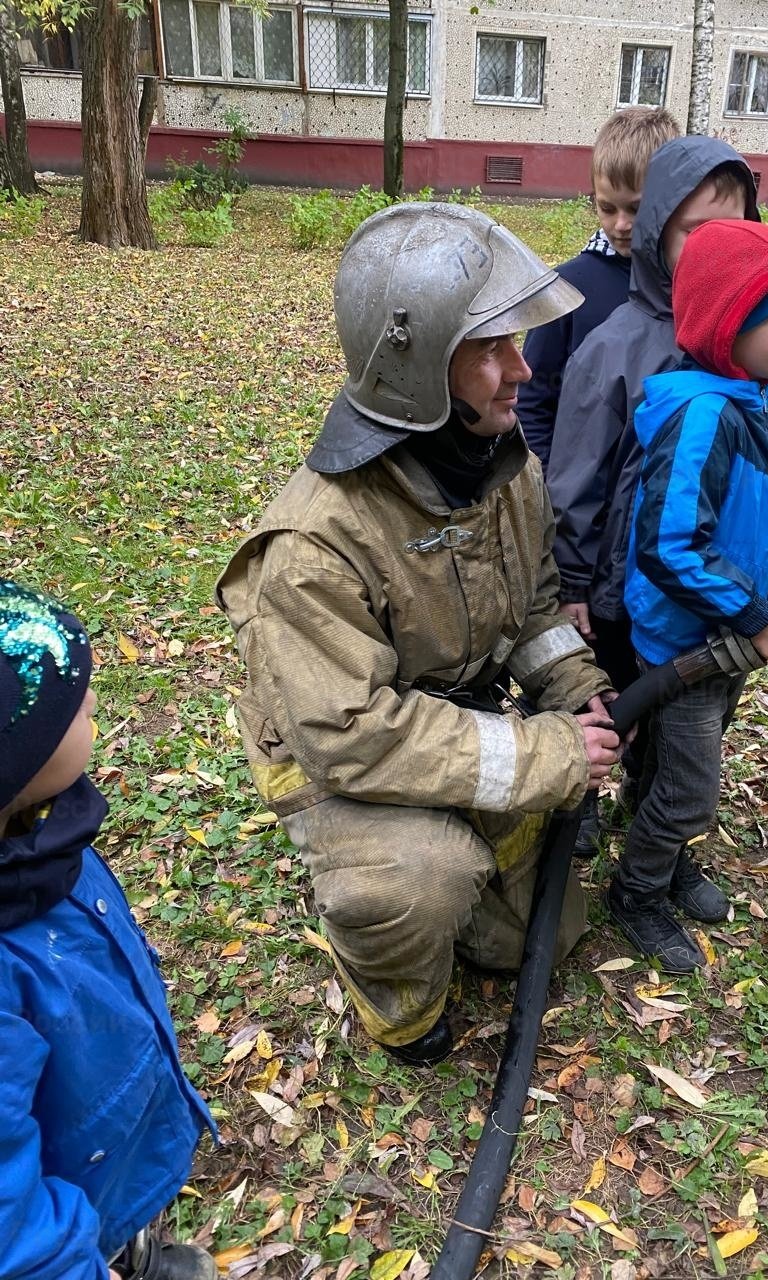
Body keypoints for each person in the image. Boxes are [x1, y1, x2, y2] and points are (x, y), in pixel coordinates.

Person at [216, 203, 623, 1067]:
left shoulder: (507, 468)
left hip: (441, 712)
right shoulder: (313, 546)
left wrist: (575, 693)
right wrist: (544, 754)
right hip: (336, 750)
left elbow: (534, 606)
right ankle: (397, 1008)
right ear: (418, 371)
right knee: (418, 883)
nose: (523, 368)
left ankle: (476, 855)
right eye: (490, 348)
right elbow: (348, 735)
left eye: (517, 341)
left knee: (527, 943)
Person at [612, 219, 768, 973]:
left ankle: (659, 848)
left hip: (741, 646)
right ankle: (638, 889)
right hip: (688, 645)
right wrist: (757, 613)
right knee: (691, 791)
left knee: (664, 770)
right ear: (727, 321)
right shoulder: (700, 413)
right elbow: (669, 545)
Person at [546, 136, 760, 855]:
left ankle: (652, 830)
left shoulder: (748, 345)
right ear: (661, 228)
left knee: (687, 725)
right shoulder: (616, 343)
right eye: (697, 232)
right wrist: (572, 580)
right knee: (611, 704)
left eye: (733, 232)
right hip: (619, 588)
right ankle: (574, 812)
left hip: (708, 594)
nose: (715, 247)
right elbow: (575, 473)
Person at [0, 580, 217, 1280]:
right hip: (53, 1205)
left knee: (106, 1212)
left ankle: (125, 1242)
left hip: (97, 1133)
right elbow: (10, 1229)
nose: (90, 698)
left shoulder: (41, 831)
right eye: (66, 704)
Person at [517, 105, 680, 471]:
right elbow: (531, 400)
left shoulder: (687, 287)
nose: (621, 224)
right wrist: (549, 486)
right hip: (579, 497)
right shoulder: (566, 289)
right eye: (607, 208)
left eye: (636, 209)